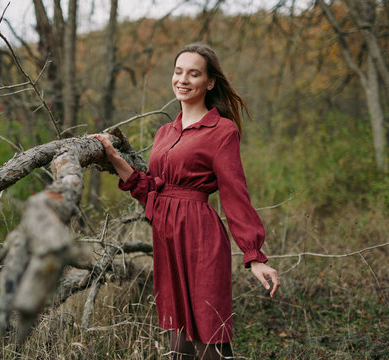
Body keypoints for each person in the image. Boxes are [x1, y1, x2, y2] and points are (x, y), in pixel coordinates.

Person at [89, 43, 280, 359]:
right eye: (178, 72)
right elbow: (150, 189)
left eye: (194, 73)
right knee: (178, 340)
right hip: (166, 240)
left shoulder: (222, 130)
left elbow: (236, 194)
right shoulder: (165, 132)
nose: (183, 80)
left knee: (208, 331)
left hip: (200, 238)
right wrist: (113, 157)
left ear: (210, 82)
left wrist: (254, 255)